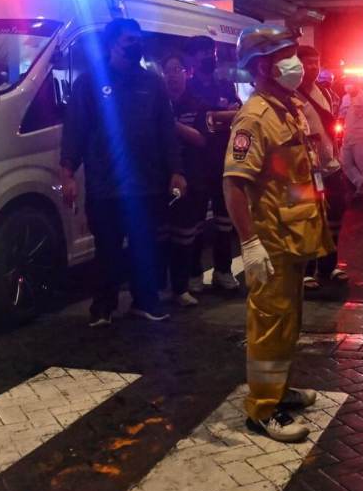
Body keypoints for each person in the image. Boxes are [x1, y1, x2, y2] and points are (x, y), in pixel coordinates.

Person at [223, 26, 333, 442]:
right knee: (269, 324)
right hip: (270, 242)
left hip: (293, 238)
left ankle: (280, 390)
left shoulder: (287, 107)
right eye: (286, 55)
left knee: (287, 324)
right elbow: (234, 184)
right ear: (264, 66)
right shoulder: (254, 118)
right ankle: (263, 410)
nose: (297, 63)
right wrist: (249, 243)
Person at [60, 18, 185, 327]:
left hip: (147, 184)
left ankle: (145, 302)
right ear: (112, 43)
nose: (136, 45)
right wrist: (67, 174)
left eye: (138, 39)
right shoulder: (88, 84)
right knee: (108, 251)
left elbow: (166, 131)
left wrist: (176, 171)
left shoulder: (152, 83)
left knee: (146, 248)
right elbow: (75, 131)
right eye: (130, 40)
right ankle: (103, 307)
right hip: (106, 186)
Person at [184, 36, 241, 291]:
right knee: (195, 223)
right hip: (196, 163)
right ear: (192, 57)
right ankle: (193, 274)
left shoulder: (225, 85)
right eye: (203, 52)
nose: (210, 56)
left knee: (224, 221)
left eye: (212, 51)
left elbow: (237, 115)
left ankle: (223, 271)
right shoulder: (189, 88)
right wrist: (219, 115)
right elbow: (200, 118)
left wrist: (214, 116)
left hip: (223, 160)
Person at [161, 51, 212, 307]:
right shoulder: (156, 103)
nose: (172, 75)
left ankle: (182, 286)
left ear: (187, 73)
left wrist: (172, 125)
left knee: (186, 234)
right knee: (162, 235)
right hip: (160, 178)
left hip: (191, 178)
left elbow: (202, 139)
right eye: (168, 70)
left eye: (177, 69)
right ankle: (162, 285)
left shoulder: (197, 104)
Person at [297, 46, 349, 289]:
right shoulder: (291, 96)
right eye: (307, 63)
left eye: (316, 62)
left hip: (330, 165)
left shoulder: (325, 93)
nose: (313, 67)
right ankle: (306, 270)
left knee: (336, 214)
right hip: (307, 170)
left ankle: (329, 266)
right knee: (309, 218)